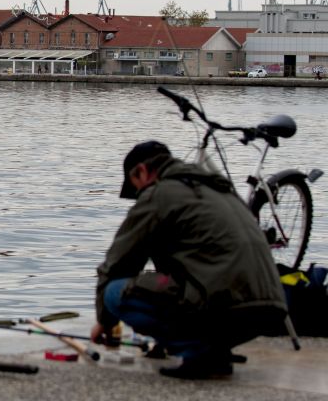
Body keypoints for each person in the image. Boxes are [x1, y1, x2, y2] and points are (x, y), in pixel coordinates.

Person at [91, 141, 287, 379]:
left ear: (142, 171)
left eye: (136, 189)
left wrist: (104, 321)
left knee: (113, 292)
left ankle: (198, 353)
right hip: (270, 310)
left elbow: (118, 264)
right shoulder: (219, 188)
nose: (138, 197)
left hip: (227, 308)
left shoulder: (158, 194)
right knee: (188, 284)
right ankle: (216, 352)